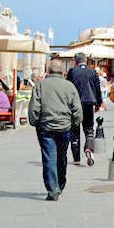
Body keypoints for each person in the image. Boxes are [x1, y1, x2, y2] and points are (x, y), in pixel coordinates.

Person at [28, 58, 81, 201]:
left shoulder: (40, 85)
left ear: (48, 70)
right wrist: (75, 124)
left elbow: (34, 107)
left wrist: (34, 122)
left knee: (49, 157)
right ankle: (61, 183)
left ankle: (52, 189)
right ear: (62, 71)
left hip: (46, 127)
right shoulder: (69, 86)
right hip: (65, 127)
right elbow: (77, 108)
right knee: (62, 155)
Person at [66, 52, 103, 165]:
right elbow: (97, 88)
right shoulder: (92, 72)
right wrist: (98, 103)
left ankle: (76, 158)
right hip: (88, 104)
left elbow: (67, 88)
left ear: (75, 61)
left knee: (75, 131)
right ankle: (89, 149)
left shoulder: (72, 72)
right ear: (85, 60)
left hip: (75, 105)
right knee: (89, 129)